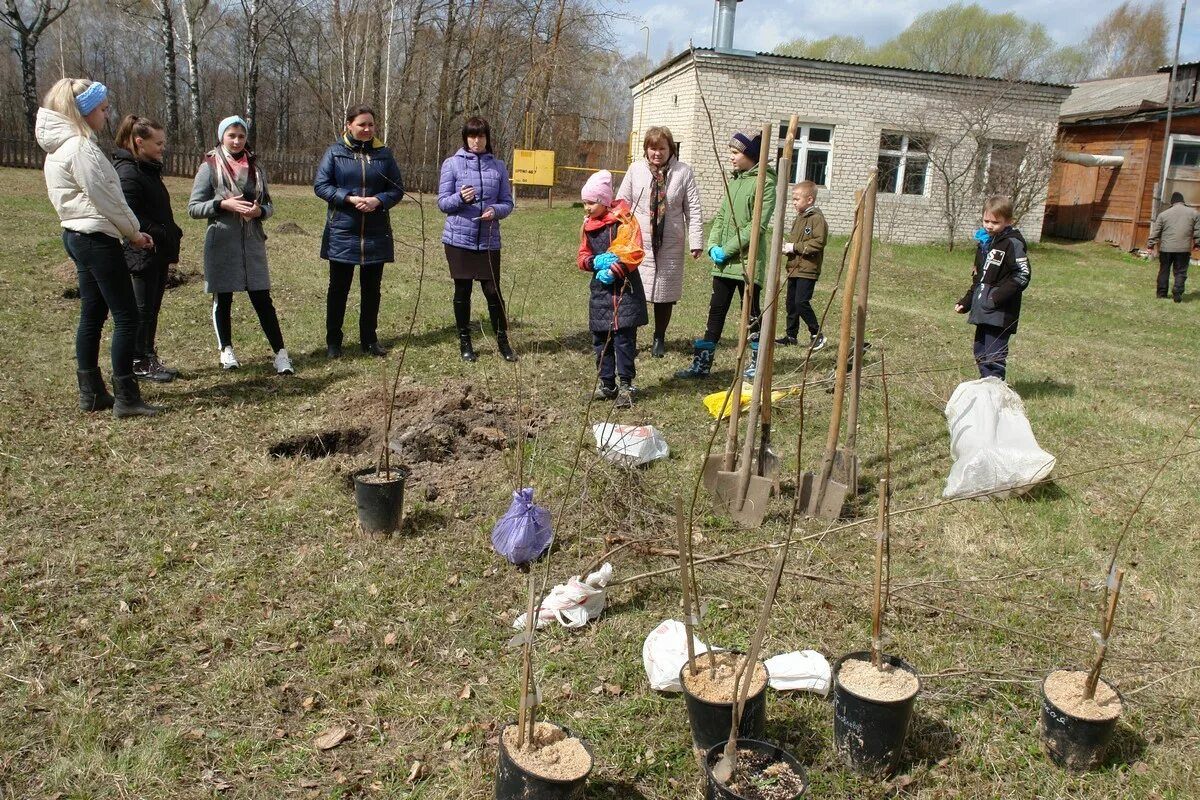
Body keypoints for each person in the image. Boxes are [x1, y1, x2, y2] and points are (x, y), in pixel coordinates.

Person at [35, 78, 163, 417]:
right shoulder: (80, 148)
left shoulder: (59, 148)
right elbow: (107, 197)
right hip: (95, 238)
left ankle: (91, 393)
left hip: (75, 235)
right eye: (104, 110)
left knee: (92, 314)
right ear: (86, 111)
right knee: (127, 316)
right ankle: (126, 397)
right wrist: (134, 233)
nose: (107, 116)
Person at [188, 116, 293, 374]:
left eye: (241, 136)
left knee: (262, 298)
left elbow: (269, 205)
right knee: (222, 297)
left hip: (252, 241)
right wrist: (222, 204)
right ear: (222, 137)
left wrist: (260, 212)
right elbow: (193, 208)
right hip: (222, 241)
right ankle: (226, 350)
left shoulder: (256, 167)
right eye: (231, 136)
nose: (236, 141)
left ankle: (280, 354)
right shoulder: (209, 166)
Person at [676, 130, 774, 380]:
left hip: (747, 263)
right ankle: (702, 365)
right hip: (723, 263)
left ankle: (755, 363)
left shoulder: (765, 184)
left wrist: (728, 249)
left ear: (750, 155)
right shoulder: (735, 180)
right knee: (716, 311)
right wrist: (712, 245)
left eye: (735, 153)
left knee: (750, 312)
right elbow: (721, 217)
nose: (730, 158)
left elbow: (756, 226)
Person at [314, 105, 405, 358]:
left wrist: (379, 200)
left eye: (371, 125)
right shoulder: (334, 153)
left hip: (376, 232)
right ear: (349, 125)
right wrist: (349, 198)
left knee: (371, 291)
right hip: (343, 231)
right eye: (362, 124)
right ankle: (334, 342)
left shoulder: (384, 155)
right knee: (338, 289)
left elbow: (397, 189)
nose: (367, 129)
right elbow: (321, 186)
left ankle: (369, 339)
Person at [615, 126, 703, 357]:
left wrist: (696, 241)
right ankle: (630, 338)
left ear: (670, 149)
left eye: (662, 148)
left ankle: (659, 338)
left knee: (665, 293)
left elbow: (693, 208)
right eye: (652, 148)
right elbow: (622, 202)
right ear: (646, 149)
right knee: (634, 290)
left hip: (670, 241)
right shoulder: (635, 170)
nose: (657, 153)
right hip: (638, 241)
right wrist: (617, 232)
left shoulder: (683, 172)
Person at [437, 116, 517, 362]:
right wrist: (460, 198)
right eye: (472, 136)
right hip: (459, 239)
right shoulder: (451, 165)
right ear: (465, 138)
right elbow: (442, 203)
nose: (476, 141)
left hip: (489, 239)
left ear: (487, 138)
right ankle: (465, 340)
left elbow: (508, 203)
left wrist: (495, 211)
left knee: (493, 292)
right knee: (463, 290)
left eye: (481, 136)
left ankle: (503, 341)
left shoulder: (499, 167)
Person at [113, 115, 184, 383]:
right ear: (139, 142)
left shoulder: (148, 169)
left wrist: (171, 231)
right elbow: (130, 214)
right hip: (142, 251)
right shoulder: (129, 172)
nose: (162, 147)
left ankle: (147, 356)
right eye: (158, 143)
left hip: (158, 250)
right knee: (141, 310)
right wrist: (160, 231)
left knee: (152, 308)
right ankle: (137, 361)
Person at [577, 170, 646, 408]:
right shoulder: (588, 226)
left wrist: (616, 269)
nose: (586, 207)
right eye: (585, 202)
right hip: (600, 292)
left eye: (591, 202)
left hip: (625, 291)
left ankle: (626, 384)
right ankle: (607, 383)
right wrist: (593, 262)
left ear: (604, 201)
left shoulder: (624, 221)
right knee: (601, 339)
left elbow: (634, 252)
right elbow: (582, 255)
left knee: (623, 339)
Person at [955, 195, 1031, 381]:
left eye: (995, 222)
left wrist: (996, 298)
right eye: (986, 220)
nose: (989, 226)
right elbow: (978, 279)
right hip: (983, 309)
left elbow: (1023, 275)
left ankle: (996, 387)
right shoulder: (984, 244)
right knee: (980, 351)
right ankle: (985, 385)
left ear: (1008, 221)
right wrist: (966, 302)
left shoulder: (1012, 243)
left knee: (994, 353)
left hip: (1000, 311)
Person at [776, 180, 828, 351]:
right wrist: (787, 248)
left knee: (801, 302)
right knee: (791, 303)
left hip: (807, 269)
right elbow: (796, 242)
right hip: (794, 268)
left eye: (797, 199)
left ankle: (816, 333)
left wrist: (795, 247)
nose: (794, 202)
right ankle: (791, 335)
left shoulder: (816, 219)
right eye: (793, 199)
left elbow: (818, 243)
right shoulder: (799, 219)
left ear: (810, 200)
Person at [1147, 192, 1198, 302]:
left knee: (1164, 270)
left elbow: (1156, 232)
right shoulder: (1194, 213)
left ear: (1172, 202)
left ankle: (1161, 294)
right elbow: (1198, 231)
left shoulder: (1163, 214)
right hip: (1183, 249)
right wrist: (1197, 244)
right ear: (1183, 201)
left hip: (1166, 249)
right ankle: (1177, 289)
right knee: (1180, 271)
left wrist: (1150, 245)